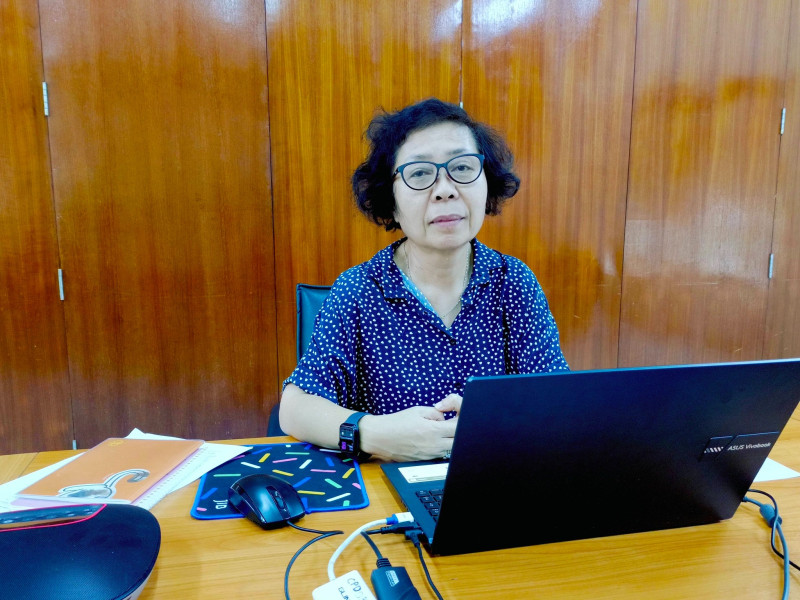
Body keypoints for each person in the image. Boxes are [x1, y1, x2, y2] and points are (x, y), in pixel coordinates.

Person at [280, 98, 568, 462]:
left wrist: (498, 422)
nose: (445, 189)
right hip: (388, 485)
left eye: (462, 168)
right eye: (419, 174)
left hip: (492, 477)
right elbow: (295, 408)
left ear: (486, 183)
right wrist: (373, 433)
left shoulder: (513, 282)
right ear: (391, 200)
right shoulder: (359, 290)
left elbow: (557, 403)